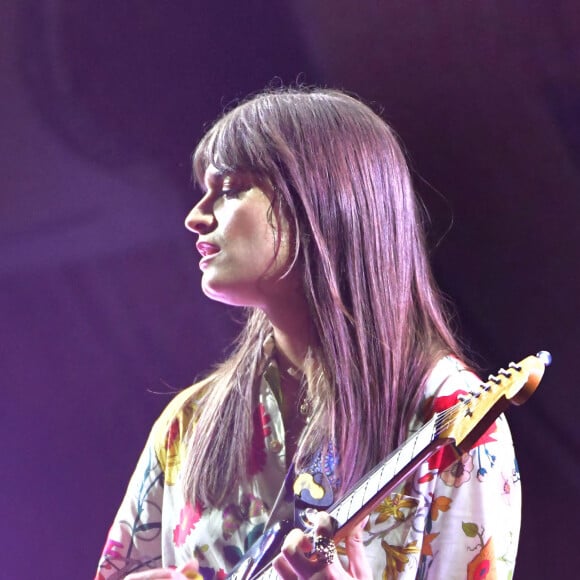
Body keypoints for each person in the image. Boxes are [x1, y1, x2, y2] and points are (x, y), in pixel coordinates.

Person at [95, 88, 521, 579]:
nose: (196, 216)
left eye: (230, 188)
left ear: (320, 202)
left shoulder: (452, 416)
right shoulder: (187, 424)